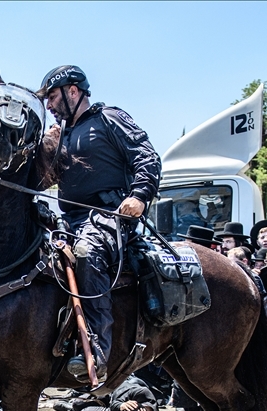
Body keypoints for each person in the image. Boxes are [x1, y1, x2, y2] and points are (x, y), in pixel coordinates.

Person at [38, 64, 161, 384]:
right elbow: (40, 181)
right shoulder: (59, 135)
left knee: (86, 250)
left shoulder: (110, 118)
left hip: (109, 217)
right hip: (69, 220)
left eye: (52, 97)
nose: (49, 105)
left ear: (73, 91)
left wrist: (140, 196)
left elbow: (147, 157)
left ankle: (97, 350)